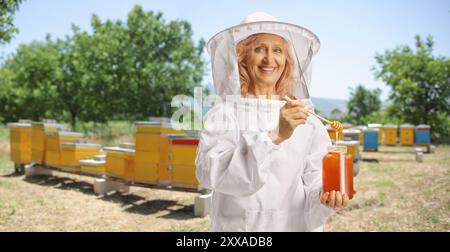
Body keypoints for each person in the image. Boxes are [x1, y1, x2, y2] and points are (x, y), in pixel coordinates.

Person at [195, 12, 353, 232]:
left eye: (277, 50)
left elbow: (316, 175)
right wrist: (274, 136)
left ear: (287, 59)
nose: (269, 59)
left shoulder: (305, 117)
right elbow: (210, 173)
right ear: (242, 57)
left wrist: (326, 196)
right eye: (259, 49)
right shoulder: (224, 113)